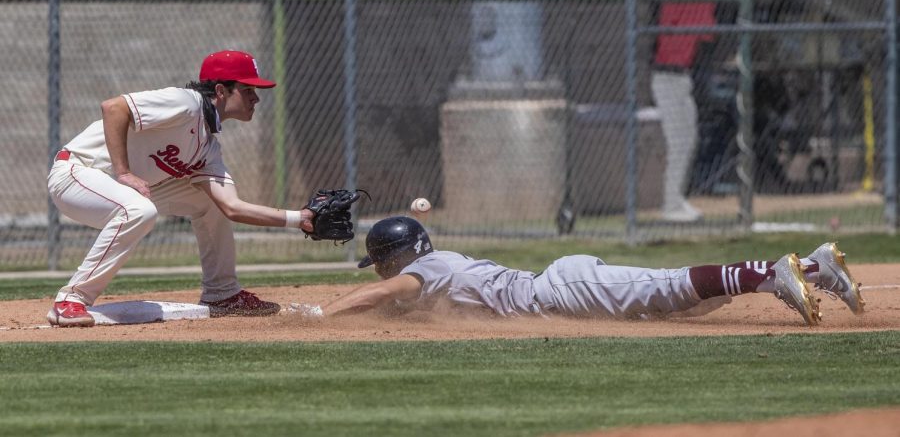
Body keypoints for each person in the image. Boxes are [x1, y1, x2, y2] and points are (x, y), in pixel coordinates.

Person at [46, 50, 338, 327]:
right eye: (247, 89)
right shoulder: (185, 103)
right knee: (139, 210)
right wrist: (123, 172)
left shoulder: (208, 146)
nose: (256, 98)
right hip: (77, 172)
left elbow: (232, 207)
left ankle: (223, 293)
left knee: (209, 202)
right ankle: (71, 299)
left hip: (123, 187)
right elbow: (114, 108)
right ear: (221, 91)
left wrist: (300, 218)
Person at [291, 216, 865, 326]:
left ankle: (780, 274)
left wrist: (320, 313)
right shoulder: (437, 270)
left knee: (666, 288)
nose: (378, 275)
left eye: (378, 264)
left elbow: (380, 296)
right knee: (678, 307)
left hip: (563, 291)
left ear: (392, 259)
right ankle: (816, 266)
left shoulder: (422, 274)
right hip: (560, 286)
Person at [651, 0, 716, 222]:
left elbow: (707, 33)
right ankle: (670, 205)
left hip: (682, 77)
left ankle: (676, 199)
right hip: (665, 77)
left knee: (688, 137)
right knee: (679, 140)